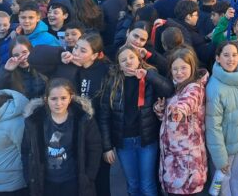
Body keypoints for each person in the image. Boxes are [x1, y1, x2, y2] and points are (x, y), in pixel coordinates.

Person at [99, 44, 173, 196]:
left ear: (139, 59)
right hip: (124, 141)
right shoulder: (112, 82)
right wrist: (107, 147)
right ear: (119, 65)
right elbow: (104, 116)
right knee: (133, 185)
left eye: (131, 57)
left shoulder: (150, 75)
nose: (128, 62)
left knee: (147, 184)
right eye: (123, 60)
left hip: (146, 139)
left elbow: (168, 89)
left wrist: (148, 75)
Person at [22, 78, 102, 196]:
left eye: (63, 98)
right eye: (53, 99)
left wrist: (88, 176)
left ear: (70, 98)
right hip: (46, 183)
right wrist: (30, 177)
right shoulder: (34, 122)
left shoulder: (83, 119)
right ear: (46, 99)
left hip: (74, 181)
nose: (58, 103)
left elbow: (94, 147)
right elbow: (26, 150)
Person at [155, 47, 209, 196]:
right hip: (174, 161)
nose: (179, 72)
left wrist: (178, 110)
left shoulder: (194, 88)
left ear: (192, 67)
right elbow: (172, 122)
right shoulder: (177, 87)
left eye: (183, 68)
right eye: (175, 69)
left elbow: (187, 103)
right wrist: (161, 109)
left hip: (186, 164)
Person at [206, 41, 238, 196]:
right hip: (226, 148)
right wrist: (220, 159)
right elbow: (213, 127)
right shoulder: (214, 88)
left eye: (234, 55)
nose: (231, 59)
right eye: (226, 55)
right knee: (224, 186)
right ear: (217, 58)